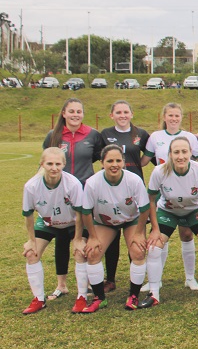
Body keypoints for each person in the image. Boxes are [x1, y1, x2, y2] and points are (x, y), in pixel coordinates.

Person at [140, 136, 198, 308]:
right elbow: (150, 200)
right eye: (176, 152)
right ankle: (153, 293)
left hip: (194, 211)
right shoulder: (159, 171)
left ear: (191, 153)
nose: (180, 156)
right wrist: (155, 229)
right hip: (168, 211)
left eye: (184, 152)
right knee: (153, 247)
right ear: (170, 154)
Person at [42, 98, 105, 301]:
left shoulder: (93, 135)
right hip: (60, 193)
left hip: (85, 191)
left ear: (83, 114)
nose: (75, 115)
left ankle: (87, 282)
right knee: (61, 236)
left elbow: (98, 157)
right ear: (64, 113)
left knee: (84, 236)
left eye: (79, 111)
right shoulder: (53, 135)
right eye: (71, 111)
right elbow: (47, 160)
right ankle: (61, 284)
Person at [143, 103, 198, 291]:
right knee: (160, 236)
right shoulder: (155, 137)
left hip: (186, 192)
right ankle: (156, 279)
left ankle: (190, 278)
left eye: (177, 115)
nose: (173, 118)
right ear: (164, 117)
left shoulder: (190, 137)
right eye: (170, 115)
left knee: (186, 234)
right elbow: (144, 161)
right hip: (165, 193)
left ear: (181, 117)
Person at [80, 145, 150, 312]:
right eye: (110, 161)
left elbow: (144, 208)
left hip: (130, 220)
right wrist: (92, 237)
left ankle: (133, 295)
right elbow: (86, 212)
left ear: (123, 163)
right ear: (102, 163)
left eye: (118, 160)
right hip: (105, 222)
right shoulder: (92, 183)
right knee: (93, 253)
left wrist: (139, 233)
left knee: (138, 251)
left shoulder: (133, 180)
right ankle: (99, 298)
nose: (114, 164)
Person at [21, 148, 86, 314]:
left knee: (80, 252)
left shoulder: (73, 184)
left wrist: (78, 238)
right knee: (31, 254)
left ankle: (82, 297)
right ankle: (39, 299)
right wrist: (31, 240)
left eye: (58, 164)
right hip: (48, 222)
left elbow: (80, 214)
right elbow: (28, 215)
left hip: (72, 222)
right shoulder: (31, 186)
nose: (54, 168)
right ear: (42, 164)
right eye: (49, 163)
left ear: (64, 164)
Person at [99, 100, 150, 293]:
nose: (122, 115)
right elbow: (97, 157)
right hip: (111, 190)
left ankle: (135, 280)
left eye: (126, 112)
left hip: (134, 189)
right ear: (111, 115)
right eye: (118, 112)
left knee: (135, 237)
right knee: (112, 236)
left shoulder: (141, 134)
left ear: (132, 114)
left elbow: (152, 156)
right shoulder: (105, 134)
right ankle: (110, 279)